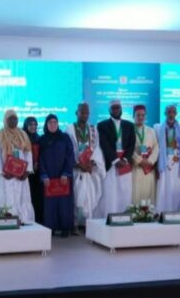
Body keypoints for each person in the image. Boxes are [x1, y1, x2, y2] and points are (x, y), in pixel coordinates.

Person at [0, 109, 35, 224]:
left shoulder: (23, 134)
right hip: (5, 174)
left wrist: (27, 171)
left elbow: (28, 152)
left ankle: (22, 219)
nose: (13, 121)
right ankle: (5, 220)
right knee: (6, 196)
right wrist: (2, 171)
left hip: (21, 174)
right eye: (10, 119)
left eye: (15, 119)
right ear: (5, 120)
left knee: (21, 197)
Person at [66, 102, 105, 231]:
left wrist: (92, 163)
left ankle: (89, 223)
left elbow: (97, 148)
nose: (85, 115)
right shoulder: (70, 128)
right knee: (77, 197)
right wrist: (78, 164)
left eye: (87, 112)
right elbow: (69, 150)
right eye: (82, 112)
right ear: (76, 113)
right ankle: (75, 223)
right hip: (77, 169)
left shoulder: (93, 129)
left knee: (90, 196)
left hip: (89, 169)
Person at [96, 99, 136, 216]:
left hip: (125, 163)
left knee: (125, 191)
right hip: (111, 163)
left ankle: (124, 217)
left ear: (121, 109)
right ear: (109, 110)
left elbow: (131, 144)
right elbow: (104, 144)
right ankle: (110, 217)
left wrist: (125, 159)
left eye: (118, 107)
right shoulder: (102, 125)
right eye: (114, 108)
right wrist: (115, 160)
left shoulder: (129, 125)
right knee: (110, 192)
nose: (116, 110)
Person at [39, 114, 75, 236]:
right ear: (46, 124)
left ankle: (65, 228)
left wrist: (66, 173)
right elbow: (39, 159)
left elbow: (70, 156)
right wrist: (44, 175)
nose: (53, 125)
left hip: (63, 177)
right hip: (49, 177)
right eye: (50, 122)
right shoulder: (42, 140)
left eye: (55, 122)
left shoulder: (65, 137)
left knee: (64, 204)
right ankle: (51, 228)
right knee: (50, 204)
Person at [154, 104, 180, 216]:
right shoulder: (158, 128)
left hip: (177, 162)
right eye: (169, 112)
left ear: (176, 113)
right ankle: (163, 213)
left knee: (177, 187)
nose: (171, 114)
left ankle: (177, 213)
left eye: (173, 112)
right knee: (164, 187)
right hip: (164, 162)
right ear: (165, 113)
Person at [131, 104, 159, 205]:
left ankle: (148, 214)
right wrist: (140, 160)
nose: (140, 117)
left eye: (143, 115)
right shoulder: (129, 130)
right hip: (136, 168)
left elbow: (156, 147)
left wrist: (150, 161)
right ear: (133, 116)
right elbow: (128, 149)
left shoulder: (151, 131)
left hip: (149, 168)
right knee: (136, 193)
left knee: (149, 194)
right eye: (138, 115)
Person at [23, 116, 44, 224]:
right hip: (25, 173)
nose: (33, 127)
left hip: (37, 173)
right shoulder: (22, 138)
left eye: (35, 124)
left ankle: (38, 221)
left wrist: (37, 163)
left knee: (37, 197)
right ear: (26, 125)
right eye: (30, 124)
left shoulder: (39, 138)